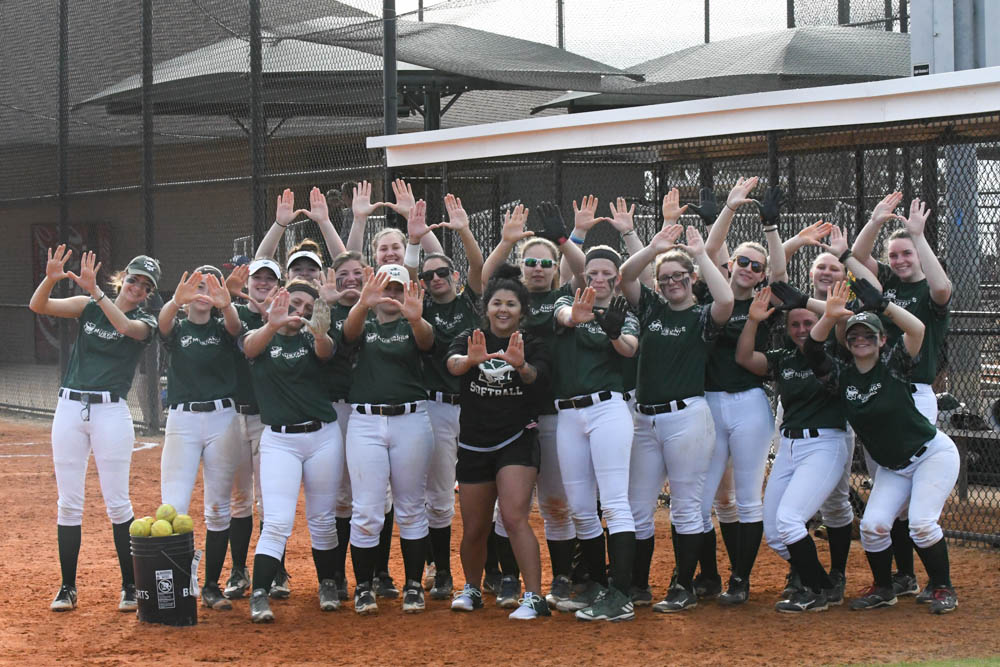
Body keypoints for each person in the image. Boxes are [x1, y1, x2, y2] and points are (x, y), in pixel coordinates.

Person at [804, 281, 959, 614]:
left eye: (869, 335)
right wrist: (829, 317)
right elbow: (813, 351)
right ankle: (884, 588)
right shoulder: (841, 376)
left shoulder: (895, 365)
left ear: (882, 339)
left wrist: (885, 306)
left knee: (920, 523)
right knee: (873, 526)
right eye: (855, 336)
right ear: (847, 342)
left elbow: (917, 329)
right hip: (894, 467)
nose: (861, 340)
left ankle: (942, 587)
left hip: (931, 455)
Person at [619, 193, 734, 614]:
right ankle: (637, 585)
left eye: (678, 276)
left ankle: (683, 586)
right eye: (665, 277)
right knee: (637, 506)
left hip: (686, 418)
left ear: (690, 277)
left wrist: (700, 254)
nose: (671, 282)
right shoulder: (651, 308)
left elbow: (725, 301)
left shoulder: (701, 315)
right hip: (645, 421)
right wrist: (654, 249)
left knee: (687, 506)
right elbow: (626, 277)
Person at [30, 247, 159, 612]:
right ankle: (67, 587)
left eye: (145, 285)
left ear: (149, 294)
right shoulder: (87, 306)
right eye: (134, 279)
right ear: (123, 277)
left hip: (110, 413)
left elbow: (123, 326)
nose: (137, 287)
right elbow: (39, 306)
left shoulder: (145, 321)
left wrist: (99, 294)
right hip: (70, 407)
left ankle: (130, 587)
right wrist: (51, 279)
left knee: (118, 504)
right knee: (69, 504)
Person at [480, 201, 587, 608]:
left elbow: (581, 271)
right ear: (521, 268)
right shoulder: (513, 305)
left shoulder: (566, 296)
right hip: (513, 414)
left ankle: (561, 578)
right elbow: (485, 280)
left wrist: (568, 238)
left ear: (555, 268)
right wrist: (507, 243)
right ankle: (508, 578)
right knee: (510, 506)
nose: (538, 268)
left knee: (556, 503)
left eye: (546, 262)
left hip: (556, 415)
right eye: (531, 262)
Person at [851, 193, 953, 600]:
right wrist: (875, 221)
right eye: (893, 255)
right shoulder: (887, 285)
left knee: (915, 495)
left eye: (905, 254)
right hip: (879, 392)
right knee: (886, 485)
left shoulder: (930, 290)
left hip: (915, 391)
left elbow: (943, 286)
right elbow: (855, 259)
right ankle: (902, 576)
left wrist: (918, 235)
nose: (898, 261)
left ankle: (933, 579)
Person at [774, 222, 883, 601]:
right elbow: (776, 278)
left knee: (836, 500)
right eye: (821, 267)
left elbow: (838, 325)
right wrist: (792, 241)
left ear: (845, 275)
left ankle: (834, 575)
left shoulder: (843, 314)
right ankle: (801, 571)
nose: (827, 273)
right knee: (792, 505)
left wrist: (842, 258)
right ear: (810, 272)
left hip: (831, 416)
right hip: (793, 410)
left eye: (834, 268)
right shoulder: (795, 307)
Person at [446, 264, 550, 619]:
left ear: (522, 311)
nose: (503, 309)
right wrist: (469, 360)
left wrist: (521, 366)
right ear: (486, 307)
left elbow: (537, 376)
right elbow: (454, 365)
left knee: (513, 516)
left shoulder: (531, 343)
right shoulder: (469, 338)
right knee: (475, 526)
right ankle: (472, 588)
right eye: (496, 303)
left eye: (511, 304)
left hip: (516, 438)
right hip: (475, 442)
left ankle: (534, 597)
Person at [735, 287, 846, 612]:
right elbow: (745, 358)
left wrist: (825, 312)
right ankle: (819, 582)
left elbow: (831, 328)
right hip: (789, 446)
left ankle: (818, 589)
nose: (800, 330)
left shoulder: (834, 357)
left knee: (790, 520)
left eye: (807, 322)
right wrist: (753, 321)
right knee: (774, 532)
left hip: (824, 444)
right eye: (794, 324)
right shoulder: (784, 359)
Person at [696, 184, 781, 605]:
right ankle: (702, 574)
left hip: (749, 404)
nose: (747, 268)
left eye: (755, 265)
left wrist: (772, 232)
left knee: (748, 497)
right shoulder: (711, 293)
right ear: (732, 264)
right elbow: (709, 254)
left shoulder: (768, 299)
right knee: (700, 497)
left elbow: (781, 272)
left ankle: (741, 579)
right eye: (742, 261)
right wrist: (727, 209)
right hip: (709, 403)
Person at [242, 282, 343, 623]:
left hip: (323, 437)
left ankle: (328, 583)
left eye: (306, 306)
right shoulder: (262, 336)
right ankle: (259, 593)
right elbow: (250, 349)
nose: (299, 310)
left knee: (322, 520)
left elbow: (326, 351)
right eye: (293, 302)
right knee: (277, 521)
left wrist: (318, 331)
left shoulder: (312, 338)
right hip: (280, 440)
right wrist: (272, 321)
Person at [552, 246, 640, 622]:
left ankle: (621, 595)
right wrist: (578, 314)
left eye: (607, 273)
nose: (599, 279)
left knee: (615, 503)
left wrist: (614, 332)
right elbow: (565, 317)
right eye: (593, 273)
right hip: (568, 415)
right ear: (583, 276)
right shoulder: (565, 302)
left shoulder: (623, 314)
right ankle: (597, 587)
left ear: (617, 279)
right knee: (581, 508)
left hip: (608, 409)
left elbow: (629, 348)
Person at [341, 265, 436, 615]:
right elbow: (347, 337)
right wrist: (363, 304)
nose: (391, 295)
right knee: (366, 509)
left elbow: (428, 342)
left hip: (411, 419)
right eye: (386, 288)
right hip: (365, 421)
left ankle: (413, 585)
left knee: (411, 506)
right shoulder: (362, 321)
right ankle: (364, 587)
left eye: (397, 289)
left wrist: (415, 319)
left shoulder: (413, 323)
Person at [404, 196, 484, 600]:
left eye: (442, 273)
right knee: (437, 495)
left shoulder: (469, 301)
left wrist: (463, 229)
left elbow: (477, 266)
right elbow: (407, 276)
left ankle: (492, 571)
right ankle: (444, 573)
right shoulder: (420, 309)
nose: (435, 279)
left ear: (452, 276)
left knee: (485, 489)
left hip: (476, 404)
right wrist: (415, 243)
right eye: (429, 274)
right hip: (435, 406)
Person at [157, 267, 243, 611]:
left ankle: (210, 586)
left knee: (219, 508)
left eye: (210, 285)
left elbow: (237, 329)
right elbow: (163, 324)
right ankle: (178, 585)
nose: (204, 291)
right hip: (183, 419)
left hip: (223, 418)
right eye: (198, 285)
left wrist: (227, 305)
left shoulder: (223, 328)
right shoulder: (178, 328)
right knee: (174, 507)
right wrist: (177, 300)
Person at [222, 256, 281, 599]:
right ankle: (239, 570)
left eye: (269, 279)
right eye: (256, 278)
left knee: (269, 500)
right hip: (232, 415)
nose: (262, 283)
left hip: (267, 418)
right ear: (247, 283)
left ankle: (276, 572)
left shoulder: (287, 316)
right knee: (239, 499)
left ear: (278, 285)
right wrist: (232, 298)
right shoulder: (235, 315)